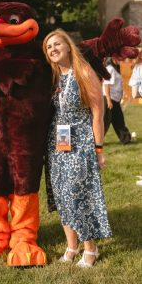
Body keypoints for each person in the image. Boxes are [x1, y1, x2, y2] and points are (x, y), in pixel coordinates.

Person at [43, 29, 112, 268]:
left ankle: (91, 249)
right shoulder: (54, 76)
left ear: (68, 46)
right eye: (49, 47)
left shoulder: (83, 71)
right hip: (57, 143)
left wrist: (99, 148)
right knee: (61, 195)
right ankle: (71, 247)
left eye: (57, 44)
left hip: (81, 141)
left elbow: (97, 113)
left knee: (78, 194)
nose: (52, 49)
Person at [103, 57, 131, 144]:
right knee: (104, 121)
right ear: (112, 59)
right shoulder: (110, 69)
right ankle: (95, 141)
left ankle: (125, 139)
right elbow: (106, 85)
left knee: (118, 120)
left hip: (114, 99)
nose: (120, 60)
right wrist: (108, 100)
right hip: (108, 99)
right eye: (118, 58)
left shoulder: (115, 68)